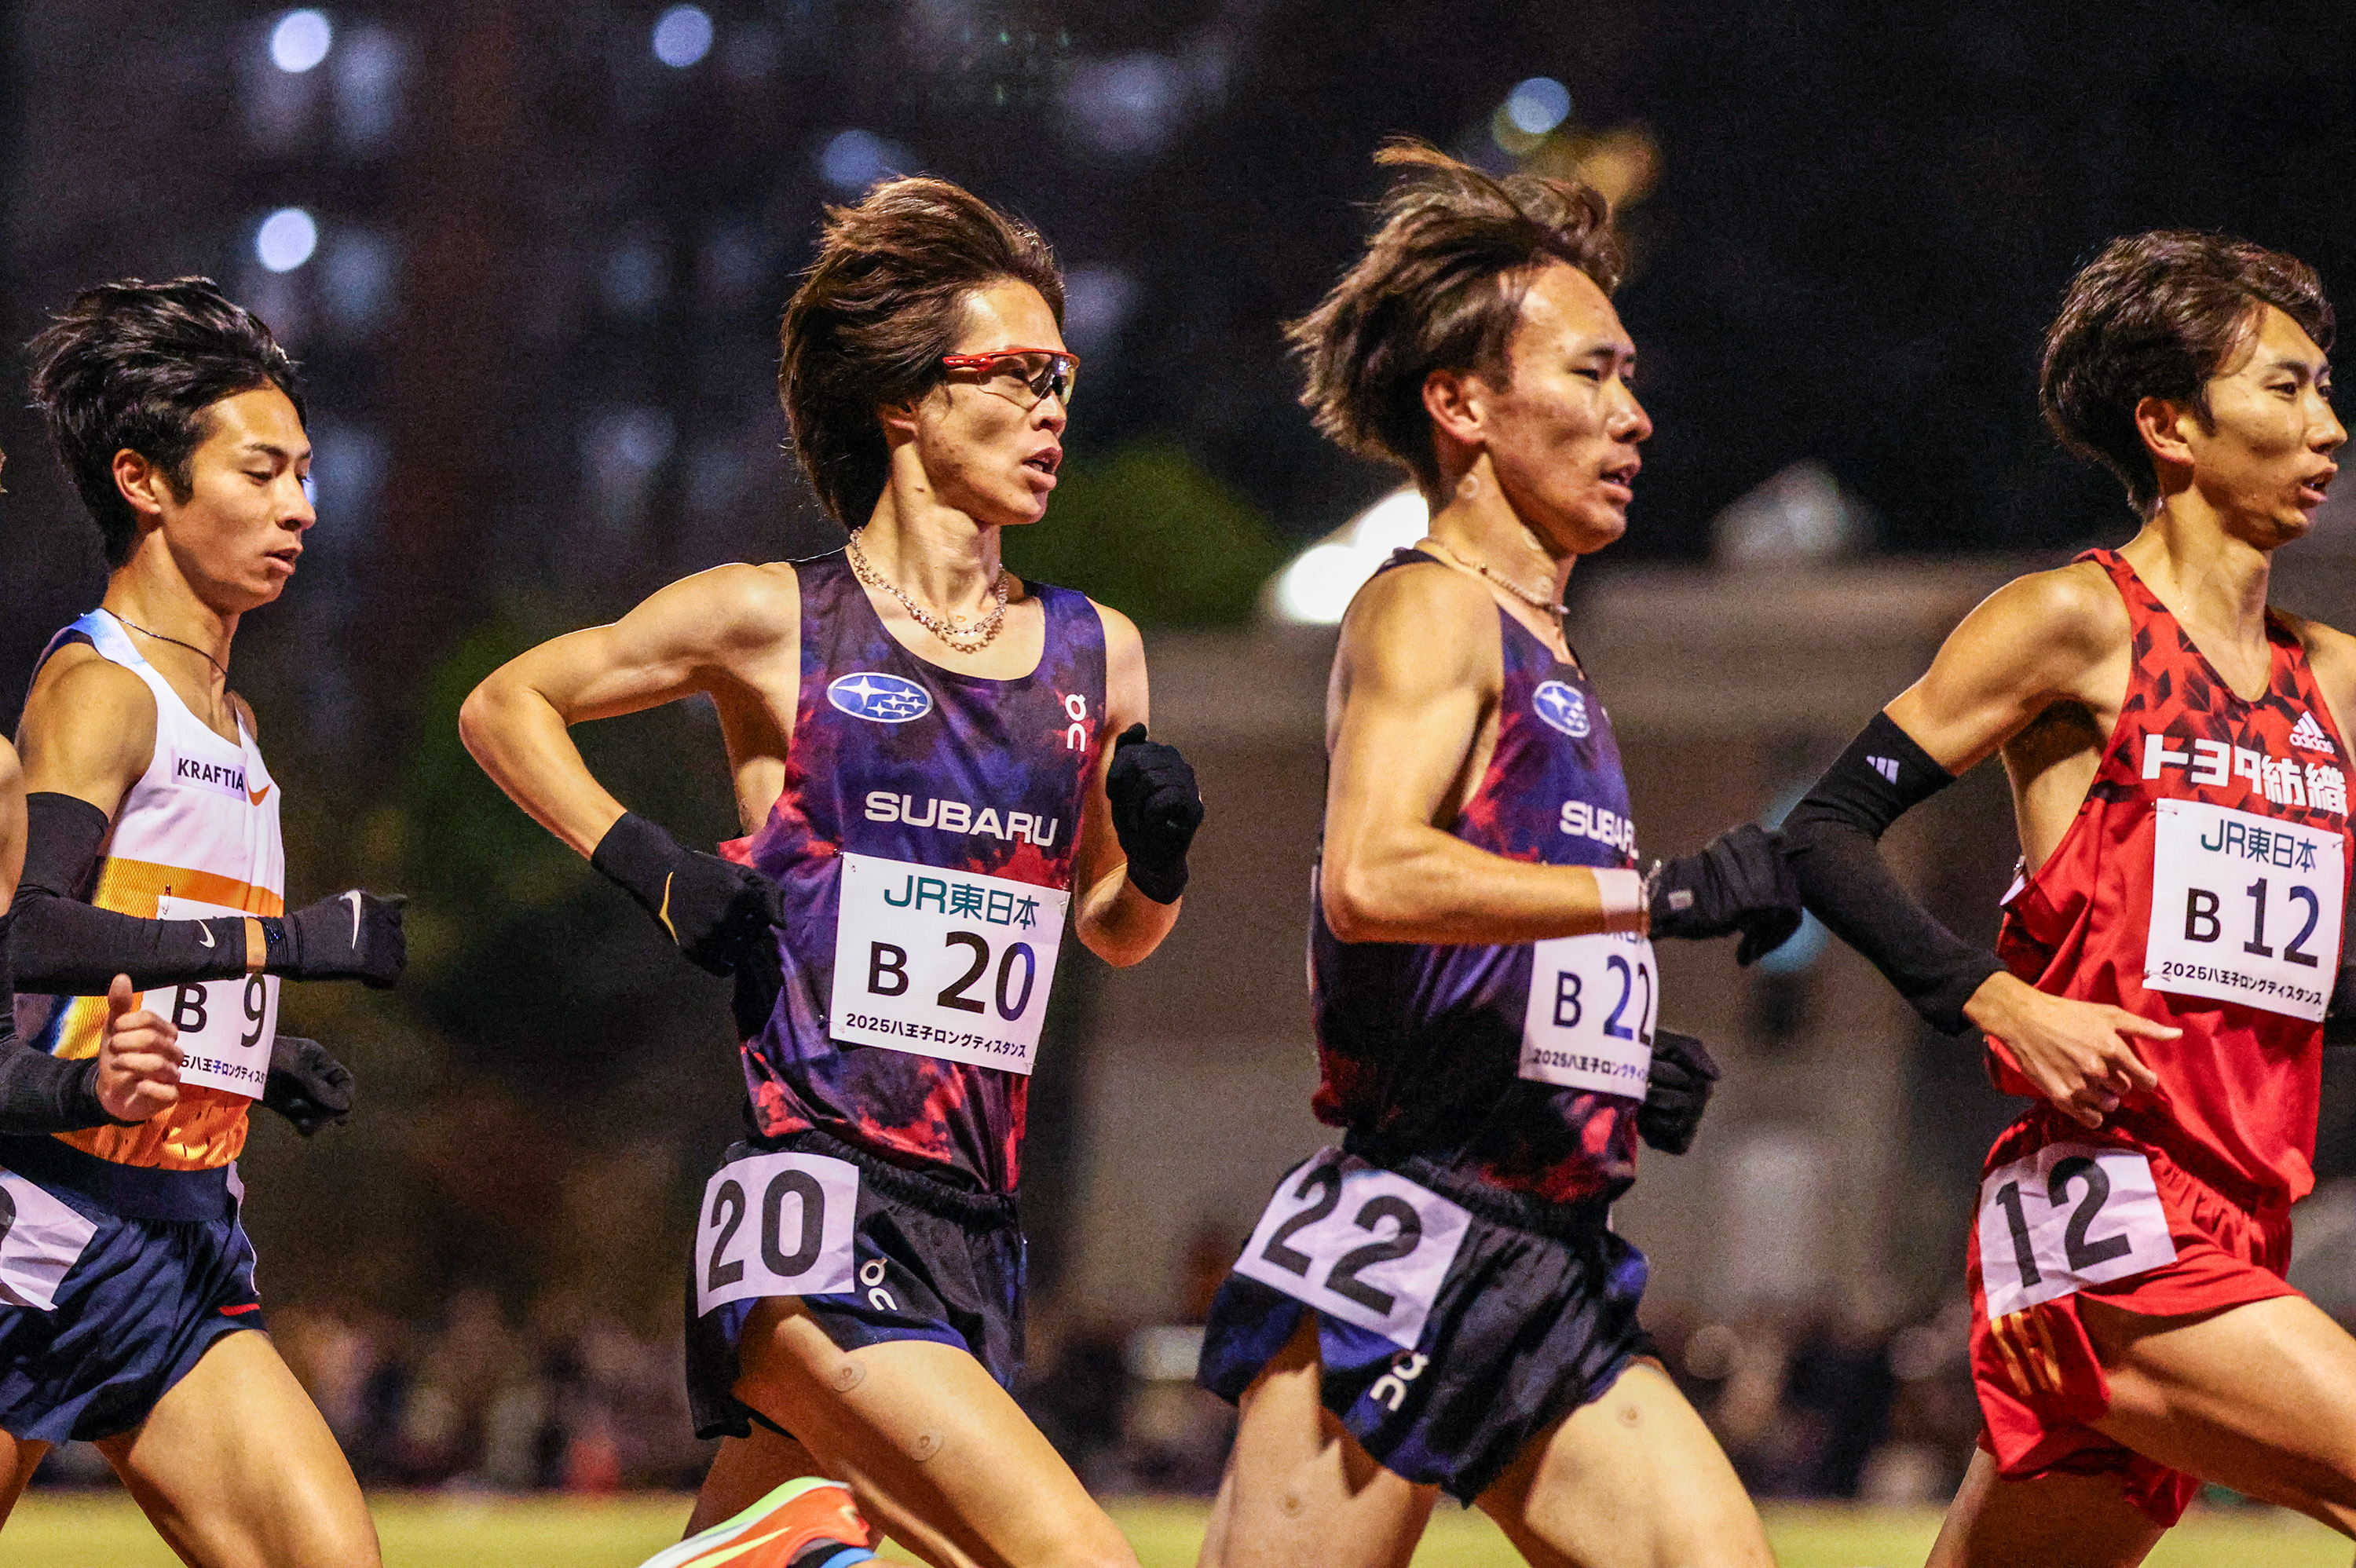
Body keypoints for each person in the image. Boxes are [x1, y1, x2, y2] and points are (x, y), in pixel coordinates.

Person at [461, 174, 1202, 1568]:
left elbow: (1112, 929)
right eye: (1020, 374)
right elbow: (507, 704)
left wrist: (1155, 862)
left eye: (1066, 378)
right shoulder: (775, 617)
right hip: (817, 1200)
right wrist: (654, 865)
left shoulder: (1099, 649)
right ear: (908, 400)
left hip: (977, 1219)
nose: (1054, 409)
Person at [1191, 142, 1798, 1568]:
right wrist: (1652, 896)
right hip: (1411, 1230)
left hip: (1552, 1254)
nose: (1634, 415)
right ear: (1462, 403)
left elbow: (1485, 922)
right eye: (1592, 374)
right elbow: (1373, 877)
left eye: (1630, 376)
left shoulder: (1553, 652)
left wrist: (1592, 1055)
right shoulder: (1430, 611)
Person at [1779, 232, 2356, 1564]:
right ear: (2169, 425)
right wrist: (2001, 1001)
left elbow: (2288, 971)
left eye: (2326, 389)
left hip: (2243, 1221)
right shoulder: (2074, 624)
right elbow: (1823, 833)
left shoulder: (2330, 680)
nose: (2328, 426)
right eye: (2286, 388)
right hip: (2112, 1222)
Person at [1, 278, 406, 1565]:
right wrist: (288, 945)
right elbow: (33, 935)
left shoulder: (234, 720)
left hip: (181, 1242)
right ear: (144, 481)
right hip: (37, 1229)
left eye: (307, 473)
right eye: (262, 471)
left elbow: (138, 944)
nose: (303, 506)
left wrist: (251, 1055)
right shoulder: (102, 690)